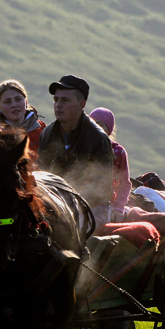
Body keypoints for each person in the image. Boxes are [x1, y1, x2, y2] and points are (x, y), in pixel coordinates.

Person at [36, 75, 114, 230]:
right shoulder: (47, 134)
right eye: (56, 100)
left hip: (93, 206)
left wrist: (68, 204)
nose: (58, 105)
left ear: (81, 104)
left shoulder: (98, 138)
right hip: (55, 203)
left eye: (65, 100)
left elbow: (102, 188)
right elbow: (40, 172)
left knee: (68, 229)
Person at [0, 79, 46, 159]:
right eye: (7, 102)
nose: (14, 105)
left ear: (26, 102)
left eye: (18, 99)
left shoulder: (41, 129)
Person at [89, 107, 132, 224]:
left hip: (105, 204)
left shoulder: (118, 152)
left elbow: (124, 183)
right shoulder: (82, 147)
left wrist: (118, 208)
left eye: (100, 124)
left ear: (109, 130)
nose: (96, 127)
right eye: (92, 124)